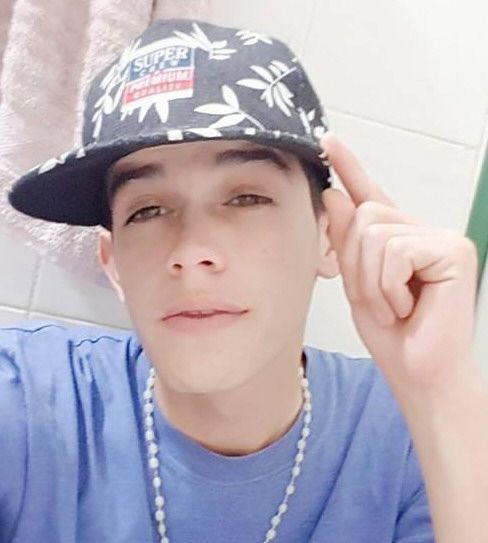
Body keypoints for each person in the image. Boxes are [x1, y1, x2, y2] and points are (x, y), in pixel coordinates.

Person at [2, 18, 488, 543]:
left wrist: (442, 390)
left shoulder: (412, 436)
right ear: (113, 262)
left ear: (330, 235)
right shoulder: (26, 398)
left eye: (247, 198)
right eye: (147, 210)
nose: (192, 252)